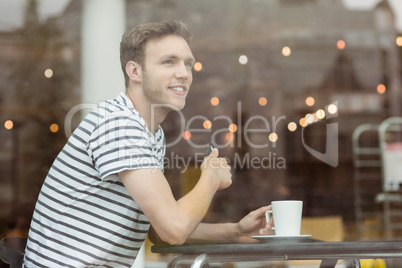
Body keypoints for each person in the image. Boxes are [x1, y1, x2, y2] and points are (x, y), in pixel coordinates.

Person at [23, 20, 272, 267]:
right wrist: (210, 178)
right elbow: (173, 229)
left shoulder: (150, 133)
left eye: (188, 64)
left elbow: (158, 229)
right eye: (168, 61)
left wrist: (235, 231)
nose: (184, 73)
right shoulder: (118, 124)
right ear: (135, 72)